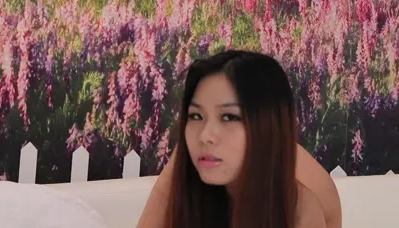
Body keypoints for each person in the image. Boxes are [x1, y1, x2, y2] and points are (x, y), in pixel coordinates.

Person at [137, 50, 342, 228]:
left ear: (264, 125)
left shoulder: (301, 208)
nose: (205, 135)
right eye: (196, 116)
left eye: (229, 117)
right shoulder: (196, 159)